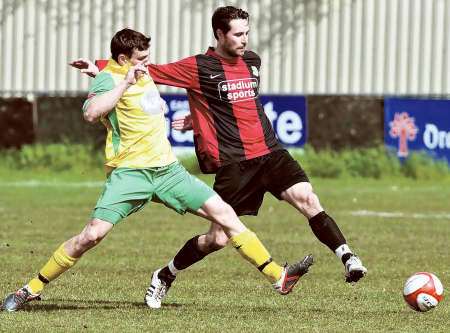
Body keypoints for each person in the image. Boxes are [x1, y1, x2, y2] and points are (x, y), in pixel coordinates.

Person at [71, 5, 367, 310]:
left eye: (247, 33)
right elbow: (149, 69)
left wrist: (198, 118)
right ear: (219, 34)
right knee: (217, 239)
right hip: (235, 164)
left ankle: (347, 257)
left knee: (307, 197)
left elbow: (240, 105)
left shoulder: (253, 62)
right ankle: (164, 274)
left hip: (271, 152)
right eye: (238, 34)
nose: (245, 40)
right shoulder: (198, 66)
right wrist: (100, 66)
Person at [1, 28, 313, 313]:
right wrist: (119, 79)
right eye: (141, 60)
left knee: (226, 216)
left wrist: (108, 68)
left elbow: (129, 78)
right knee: (91, 236)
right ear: (125, 60)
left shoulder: (139, 72)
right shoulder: (112, 78)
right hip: (130, 174)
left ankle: (279, 277)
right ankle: (31, 289)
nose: (146, 65)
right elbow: (91, 113)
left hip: (168, 171)